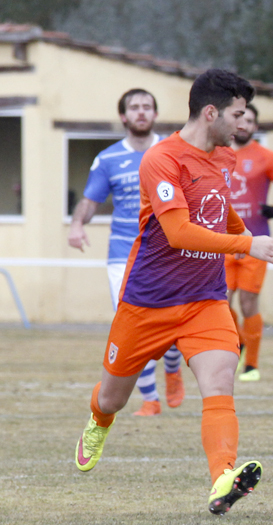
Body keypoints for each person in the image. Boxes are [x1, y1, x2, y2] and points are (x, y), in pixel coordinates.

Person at [73, 69, 273, 515]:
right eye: (237, 114)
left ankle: (222, 480)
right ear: (210, 112)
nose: (242, 125)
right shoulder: (161, 159)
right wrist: (247, 244)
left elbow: (220, 211)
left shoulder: (225, 157)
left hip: (205, 300)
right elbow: (178, 232)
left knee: (219, 384)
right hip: (147, 303)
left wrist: (252, 239)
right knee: (113, 397)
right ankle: (99, 421)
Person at [68, 88, 185, 416]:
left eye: (147, 106)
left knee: (175, 321)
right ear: (124, 116)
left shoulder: (172, 151)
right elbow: (91, 201)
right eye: (134, 107)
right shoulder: (108, 159)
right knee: (132, 322)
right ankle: (150, 399)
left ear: (155, 114)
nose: (141, 112)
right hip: (124, 252)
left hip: (168, 251)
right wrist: (77, 225)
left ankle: (173, 369)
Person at [226, 103, 273, 382]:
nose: (244, 125)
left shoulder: (267, 157)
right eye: (240, 119)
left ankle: (251, 364)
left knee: (249, 303)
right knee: (220, 302)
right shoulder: (218, 154)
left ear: (255, 126)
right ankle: (237, 344)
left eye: (249, 120)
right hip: (222, 243)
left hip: (256, 242)